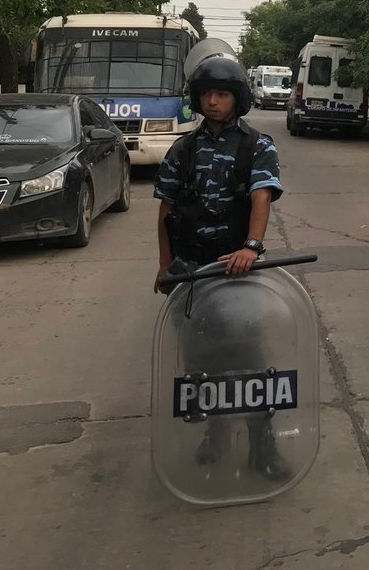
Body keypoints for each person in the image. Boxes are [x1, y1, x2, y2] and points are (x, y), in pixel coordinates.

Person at [152, 55, 289, 479]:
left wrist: (251, 246)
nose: (213, 101)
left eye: (222, 94)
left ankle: (262, 446)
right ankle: (215, 434)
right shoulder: (182, 149)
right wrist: (165, 265)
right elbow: (167, 210)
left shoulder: (257, 146)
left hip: (237, 271)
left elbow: (262, 197)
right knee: (200, 359)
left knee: (250, 360)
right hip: (192, 273)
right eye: (207, 94)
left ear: (237, 99)